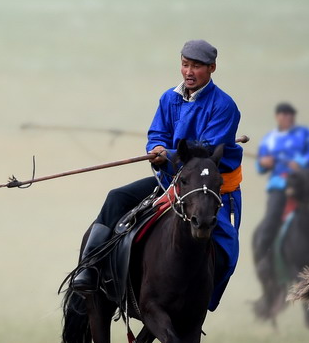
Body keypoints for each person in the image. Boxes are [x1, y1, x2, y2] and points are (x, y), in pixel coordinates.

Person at [70, 39, 243, 311]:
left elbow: (207, 151)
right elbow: (156, 134)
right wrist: (157, 148)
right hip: (171, 180)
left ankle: (201, 299)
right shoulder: (169, 98)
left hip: (208, 187)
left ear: (212, 68)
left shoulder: (224, 106)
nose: (189, 72)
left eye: (196, 66)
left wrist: (171, 154)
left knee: (227, 245)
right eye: (185, 65)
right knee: (116, 197)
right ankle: (88, 269)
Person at [253, 102, 309, 259]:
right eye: (284, 114)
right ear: (277, 117)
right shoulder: (269, 139)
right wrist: (264, 163)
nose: (287, 118)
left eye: (290, 114)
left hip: (303, 186)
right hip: (279, 185)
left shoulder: (306, 134)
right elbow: (260, 165)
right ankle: (263, 257)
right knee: (271, 218)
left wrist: (301, 162)